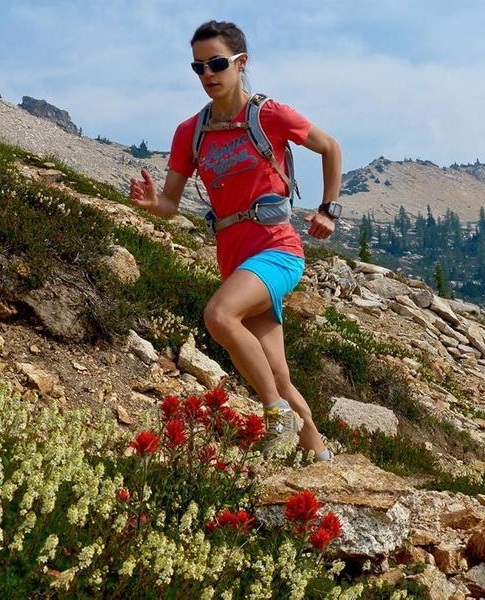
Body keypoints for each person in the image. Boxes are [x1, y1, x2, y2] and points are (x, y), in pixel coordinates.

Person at [129, 20, 342, 461]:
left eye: (217, 63)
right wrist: (154, 206)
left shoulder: (269, 115)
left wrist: (328, 209)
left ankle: (274, 414)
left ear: (241, 63)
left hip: (278, 251)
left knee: (219, 314)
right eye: (198, 66)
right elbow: (171, 202)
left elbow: (329, 147)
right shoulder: (190, 132)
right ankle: (321, 461)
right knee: (279, 376)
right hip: (234, 260)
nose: (208, 74)